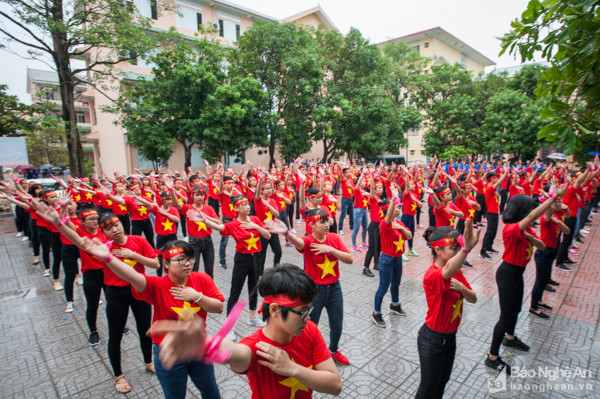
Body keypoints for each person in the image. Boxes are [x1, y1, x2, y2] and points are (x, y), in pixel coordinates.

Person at [152, 264, 343, 399]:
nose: (308, 318)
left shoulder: (309, 329)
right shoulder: (256, 348)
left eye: (309, 310)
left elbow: (335, 386)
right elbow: (236, 352)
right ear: (275, 310)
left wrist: (292, 368)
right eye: (303, 312)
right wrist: (203, 343)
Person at [82, 239, 224, 399]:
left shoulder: (201, 279)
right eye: (181, 259)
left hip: (199, 349)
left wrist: (197, 296)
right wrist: (108, 258)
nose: (187, 263)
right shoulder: (157, 285)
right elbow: (132, 275)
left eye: (190, 258)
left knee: (210, 390)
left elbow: (218, 308)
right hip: (169, 354)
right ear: (166, 264)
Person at [485, 184, 566, 375]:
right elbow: (531, 218)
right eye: (529, 208)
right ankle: (492, 356)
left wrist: (530, 236)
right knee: (505, 317)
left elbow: (542, 245)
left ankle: (510, 338)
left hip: (517, 273)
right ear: (521, 210)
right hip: (507, 273)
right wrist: (552, 200)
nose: (531, 211)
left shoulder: (526, 228)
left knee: (517, 309)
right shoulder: (511, 228)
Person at [415, 219, 479, 399]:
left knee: (442, 382)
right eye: (454, 249)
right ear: (438, 250)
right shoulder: (432, 275)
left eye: (458, 249)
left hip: (450, 338)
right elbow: (448, 269)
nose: (458, 252)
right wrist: (466, 249)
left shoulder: (456, 273)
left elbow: (473, 298)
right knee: (428, 388)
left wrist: (463, 289)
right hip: (433, 339)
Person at [282, 208, 353, 366]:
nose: (326, 224)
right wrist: (286, 233)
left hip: (335, 289)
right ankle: (308, 355)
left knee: (337, 325)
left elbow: (349, 259)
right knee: (309, 327)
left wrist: (330, 249)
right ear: (311, 225)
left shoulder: (334, 238)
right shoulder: (307, 241)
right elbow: (298, 243)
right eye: (322, 222)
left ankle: (333, 351)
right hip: (314, 292)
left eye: (327, 220)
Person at [201, 195, 272, 340]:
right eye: (244, 204)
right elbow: (220, 227)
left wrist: (256, 226)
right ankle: (229, 327)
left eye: (248, 204)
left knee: (254, 287)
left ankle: (252, 317)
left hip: (256, 258)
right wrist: (203, 219)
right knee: (235, 291)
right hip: (242, 260)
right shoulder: (233, 224)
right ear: (236, 208)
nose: (248, 206)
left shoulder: (255, 219)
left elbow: (268, 235)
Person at [372, 199, 412, 327]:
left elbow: (409, 236)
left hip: (398, 258)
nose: (398, 208)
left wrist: (400, 227)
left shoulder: (399, 222)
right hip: (387, 260)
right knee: (383, 287)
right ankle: (376, 313)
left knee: (396, 284)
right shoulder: (384, 223)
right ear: (388, 210)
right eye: (395, 207)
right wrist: (394, 199)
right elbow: (388, 216)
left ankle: (395, 305)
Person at [530, 193, 569, 318]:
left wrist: (560, 223)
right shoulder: (546, 218)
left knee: (545, 278)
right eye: (556, 203)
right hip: (543, 252)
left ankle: (539, 300)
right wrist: (549, 198)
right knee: (540, 280)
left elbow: (567, 231)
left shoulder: (557, 216)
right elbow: (547, 211)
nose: (559, 204)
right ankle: (533, 307)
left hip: (552, 251)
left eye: (560, 202)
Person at [480, 169, 508, 259]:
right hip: (491, 213)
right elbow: (499, 182)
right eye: (495, 178)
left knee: (494, 231)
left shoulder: (493, 189)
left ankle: (489, 247)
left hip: (495, 213)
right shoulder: (489, 188)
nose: (497, 179)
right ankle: (483, 251)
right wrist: (505, 173)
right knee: (489, 231)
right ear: (491, 179)